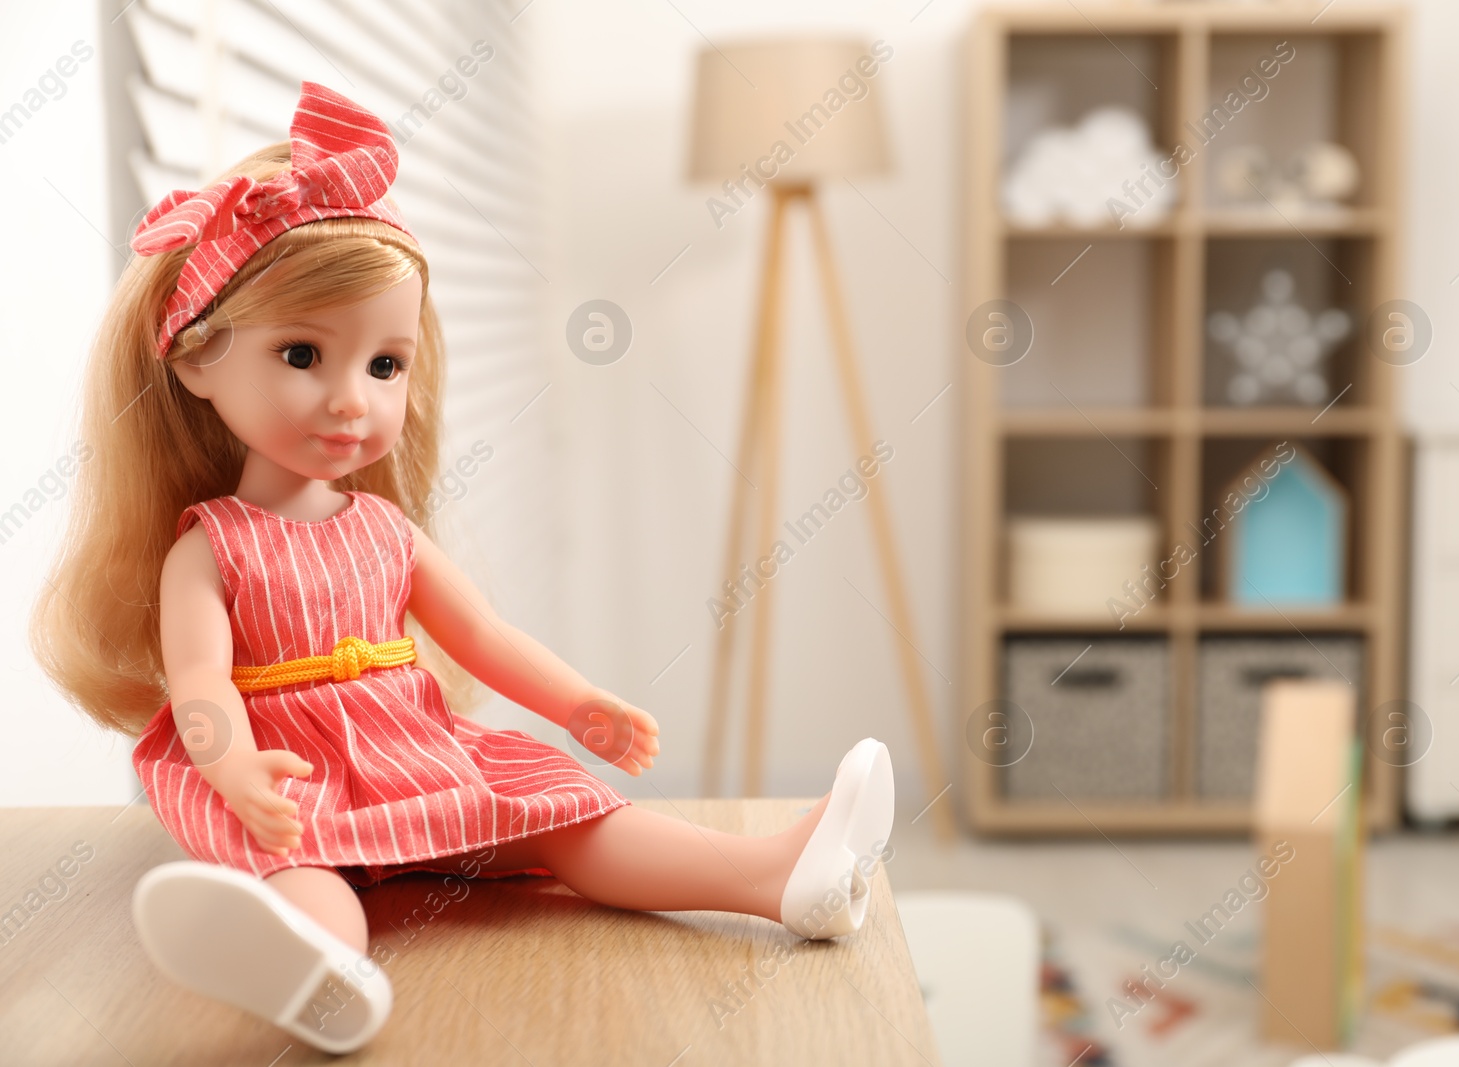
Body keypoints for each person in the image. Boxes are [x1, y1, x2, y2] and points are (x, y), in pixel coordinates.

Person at [30, 80, 894, 1053]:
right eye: (303, 353)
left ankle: (776, 877)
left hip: (415, 747)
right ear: (195, 360)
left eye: (384, 364)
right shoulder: (210, 545)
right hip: (293, 770)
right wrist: (232, 765)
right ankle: (323, 975)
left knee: (562, 811)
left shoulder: (386, 531)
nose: (349, 400)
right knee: (303, 867)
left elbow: (480, 633)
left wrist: (574, 703)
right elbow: (197, 681)